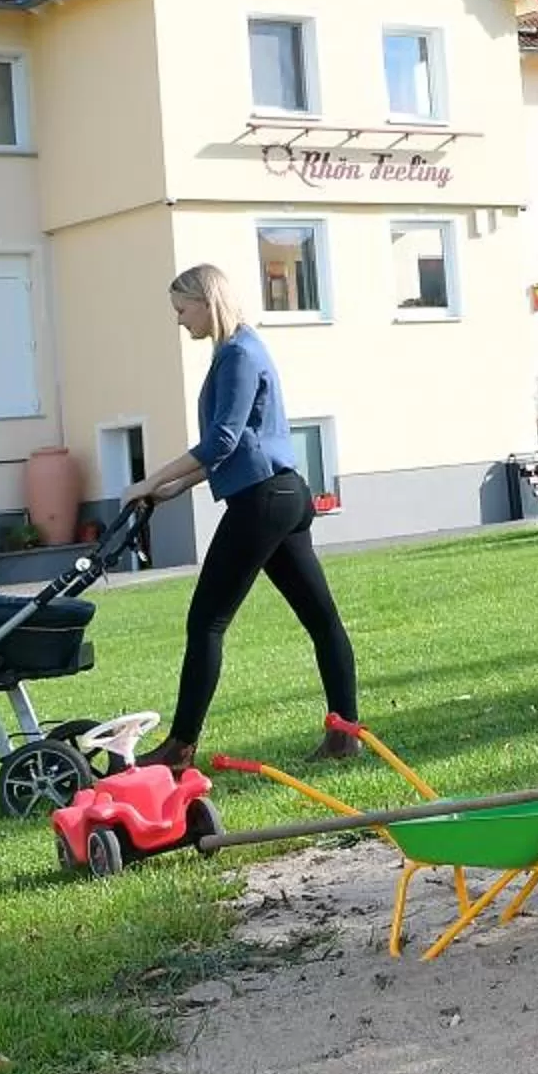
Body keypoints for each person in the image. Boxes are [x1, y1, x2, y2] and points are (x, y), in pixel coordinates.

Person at [124, 264, 361, 771]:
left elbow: (222, 441)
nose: (179, 320)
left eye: (181, 309)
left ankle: (179, 747)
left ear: (205, 301)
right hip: (283, 493)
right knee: (322, 620)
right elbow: (238, 445)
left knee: (206, 622)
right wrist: (173, 488)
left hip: (263, 502)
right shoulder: (244, 348)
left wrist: (149, 480)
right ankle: (346, 735)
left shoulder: (236, 354)